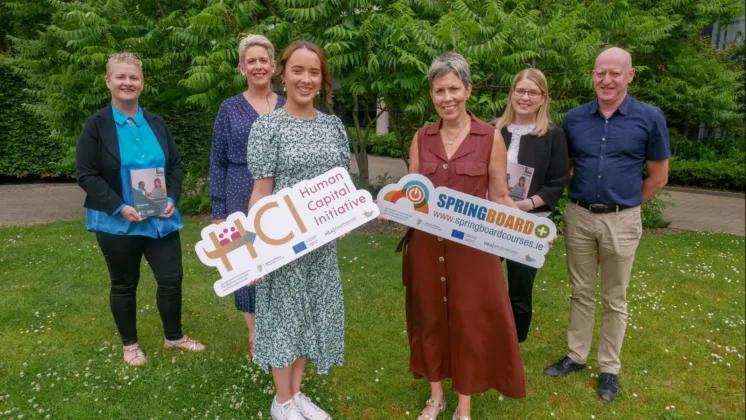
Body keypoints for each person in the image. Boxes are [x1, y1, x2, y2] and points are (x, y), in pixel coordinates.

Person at [399, 52, 526, 420]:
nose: (447, 97)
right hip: (426, 246)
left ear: (468, 90)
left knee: (470, 320)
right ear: (432, 94)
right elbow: (411, 195)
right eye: (439, 90)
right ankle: (435, 396)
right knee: (430, 317)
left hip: (474, 250)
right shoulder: (421, 139)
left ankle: (464, 405)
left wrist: (532, 232)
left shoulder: (490, 138)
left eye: (454, 88)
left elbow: (501, 197)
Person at [544, 47, 669, 402]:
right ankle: (576, 355)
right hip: (580, 217)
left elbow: (659, 176)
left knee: (615, 297)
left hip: (622, 220)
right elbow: (562, 168)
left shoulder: (649, 117)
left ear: (630, 76)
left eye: (615, 73)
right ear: (593, 75)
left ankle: (609, 368)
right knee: (580, 291)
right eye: (601, 72)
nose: (607, 80)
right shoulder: (575, 118)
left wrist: (625, 205)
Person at [76, 52, 205, 367]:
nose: (127, 83)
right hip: (117, 222)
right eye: (120, 77)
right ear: (108, 81)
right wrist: (119, 206)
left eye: (133, 77)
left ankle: (173, 337)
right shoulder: (96, 125)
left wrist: (173, 197)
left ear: (142, 83)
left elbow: (174, 166)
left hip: (160, 218)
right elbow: (86, 174)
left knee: (172, 278)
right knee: (124, 283)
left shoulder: (156, 123)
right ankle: (130, 345)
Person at [245, 40, 349, 420]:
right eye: (298, 71)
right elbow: (260, 192)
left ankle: (296, 394)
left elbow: (342, 186)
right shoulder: (267, 127)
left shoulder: (334, 127)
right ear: (283, 74)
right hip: (281, 244)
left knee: (311, 315)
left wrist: (344, 218)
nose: (306, 79)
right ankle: (282, 401)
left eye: (314, 72)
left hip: (321, 247)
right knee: (283, 318)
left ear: (322, 79)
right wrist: (253, 251)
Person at [209, 34, 286, 359]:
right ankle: (254, 334)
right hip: (239, 188)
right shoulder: (229, 108)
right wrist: (218, 209)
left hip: (282, 190)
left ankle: (282, 328)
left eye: (262, 60)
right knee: (246, 262)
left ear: (273, 65)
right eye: (250, 61)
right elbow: (217, 159)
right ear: (242, 68)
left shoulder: (287, 104)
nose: (258, 66)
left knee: (282, 259)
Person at [493, 68, 570, 343]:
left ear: (543, 98)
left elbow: (557, 182)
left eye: (533, 92)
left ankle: (513, 343)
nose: (525, 97)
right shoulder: (493, 130)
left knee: (520, 288)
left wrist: (524, 205)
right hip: (489, 218)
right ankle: (482, 334)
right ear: (511, 93)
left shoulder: (552, 135)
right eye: (520, 90)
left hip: (528, 221)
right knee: (482, 281)